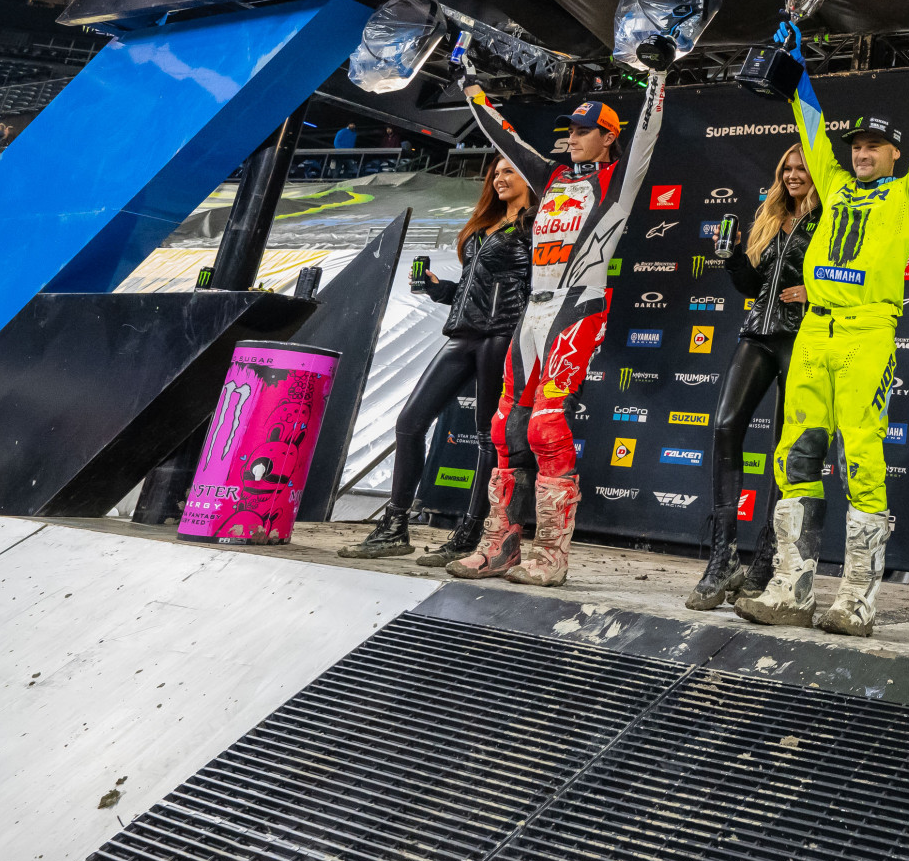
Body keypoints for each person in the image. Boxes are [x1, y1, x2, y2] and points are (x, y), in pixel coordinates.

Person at [738, 0, 909, 638]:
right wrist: (797, 70)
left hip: (866, 332)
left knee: (861, 457)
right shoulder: (832, 187)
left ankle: (855, 600)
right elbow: (810, 124)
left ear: (894, 154)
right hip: (815, 332)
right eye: (856, 144)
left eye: (875, 145)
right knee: (795, 453)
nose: (861, 152)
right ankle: (790, 588)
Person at [449, 79, 663, 586]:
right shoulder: (551, 177)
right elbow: (507, 141)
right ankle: (498, 546)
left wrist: (659, 77)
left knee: (547, 427)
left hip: (579, 306)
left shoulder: (617, 180)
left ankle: (551, 555)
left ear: (609, 138)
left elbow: (649, 135)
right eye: (572, 130)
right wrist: (474, 96)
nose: (575, 137)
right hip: (533, 310)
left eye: (587, 132)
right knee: (505, 428)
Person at [341, 157, 533, 562]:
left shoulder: (535, 225)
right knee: (409, 423)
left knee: (488, 438)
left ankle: (470, 534)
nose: (498, 177)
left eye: (508, 171)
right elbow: (473, 287)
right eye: (495, 172)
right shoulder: (486, 225)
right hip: (462, 333)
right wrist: (438, 289)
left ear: (527, 178)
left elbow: (532, 286)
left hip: (502, 336)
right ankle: (394, 527)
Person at [686, 142, 819, 609]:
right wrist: (732, 257)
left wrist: (817, 286)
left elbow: (849, 273)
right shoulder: (768, 215)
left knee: (786, 449)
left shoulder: (831, 219)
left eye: (802, 168)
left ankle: (766, 560)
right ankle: (722, 557)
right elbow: (748, 284)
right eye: (787, 168)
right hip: (758, 331)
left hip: (802, 337)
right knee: (725, 427)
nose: (793, 175)